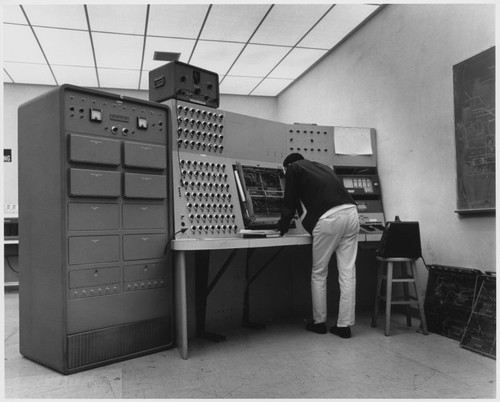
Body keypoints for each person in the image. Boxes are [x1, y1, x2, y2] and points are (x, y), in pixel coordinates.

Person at [278, 153, 359, 338]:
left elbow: (289, 200)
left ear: (288, 165)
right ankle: (344, 326)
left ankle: (319, 322)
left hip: (329, 218)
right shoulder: (323, 167)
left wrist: (282, 224)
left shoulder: (293, 168)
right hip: (352, 213)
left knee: (319, 273)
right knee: (347, 273)